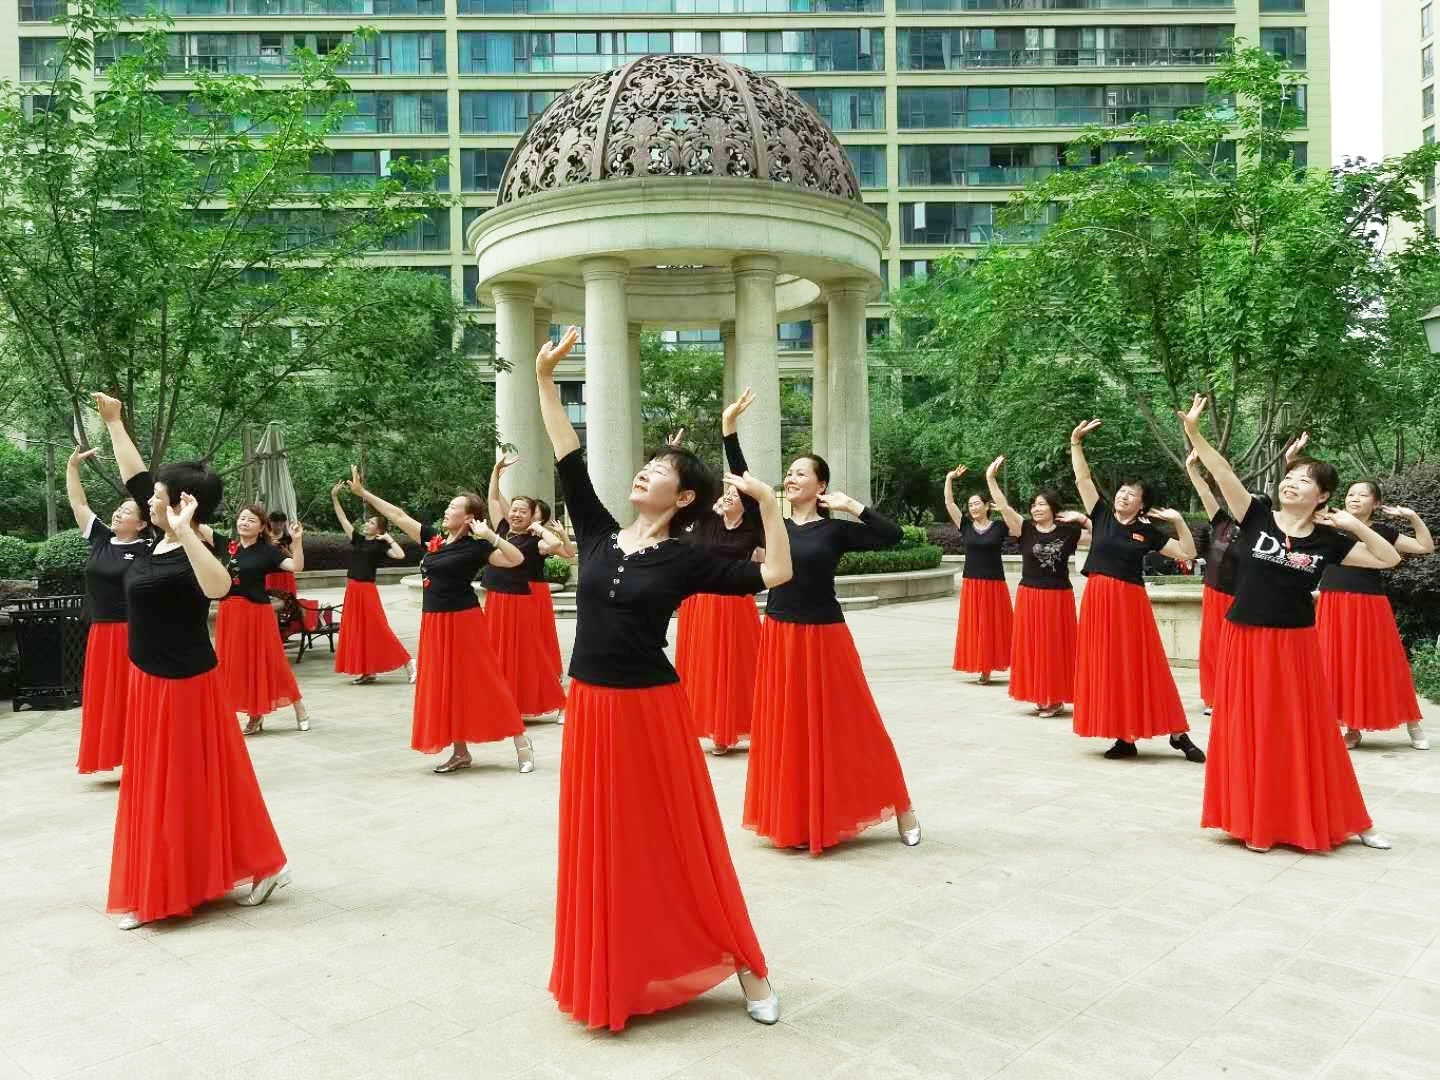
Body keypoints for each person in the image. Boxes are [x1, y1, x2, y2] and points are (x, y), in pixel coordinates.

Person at [536, 326, 791, 1031]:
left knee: (681, 836)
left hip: (652, 709)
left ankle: (747, 965)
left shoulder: (686, 558)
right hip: (588, 706)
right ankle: (614, 969)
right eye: (645, 465)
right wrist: (546, 381)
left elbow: (774, 574)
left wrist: (770, 505)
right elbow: (566, 454)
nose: (646, 472)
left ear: (684, 499)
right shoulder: (594, 533)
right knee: (604, 846)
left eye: (660, 470)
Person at [91, 392, 288, 930]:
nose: (145, 500)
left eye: (156, 496)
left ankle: (175, 886)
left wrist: (185, 531)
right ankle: (202, 872)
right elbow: (133, 472)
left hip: (184, 681)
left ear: (182, 503)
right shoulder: (156, 537)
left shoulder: (200, 546)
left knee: (180, 785)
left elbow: (220, 588)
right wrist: (115, 422)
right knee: (173, 782)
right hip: (146, 678)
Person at [1180, 395, 1395, 853]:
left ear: (1323, 496)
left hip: (1296, 644)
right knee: (1248, 728)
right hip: (1246, 636)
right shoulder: (1256, 516)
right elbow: (1222, 474)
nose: (1291, 484)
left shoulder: (1327, 541)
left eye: (1304, 481)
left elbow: (1388, 557)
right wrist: (1196, 433)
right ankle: (1254, 819)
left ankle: (1343, 817)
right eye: (1290, 477)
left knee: (1305, 732)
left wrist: (1355, 526)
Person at [743, 449, 921, 854]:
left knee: (856, 722)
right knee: (787, 727)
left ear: (820, 485)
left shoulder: (834, 530)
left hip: (825, 635)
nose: (790, 479)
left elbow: (891, 536)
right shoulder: (775, 525)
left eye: (800, 473)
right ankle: (800, 817)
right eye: (788, 473)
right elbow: (748, 485)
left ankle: (902, 806)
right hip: (779, 633)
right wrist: (728, 431)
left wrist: (852, 506)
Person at [348, 467, 533, 774]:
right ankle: (460, 752)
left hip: (464, 621)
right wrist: (363, 493)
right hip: (434, 623)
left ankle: (520, 739)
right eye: (448, 507)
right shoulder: (433, 540)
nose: (446, 511)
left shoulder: (477, 546)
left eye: (452, 508)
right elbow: (398, 515)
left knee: (482, 681)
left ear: (469, 517)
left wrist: (491, 537)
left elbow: (517, 560)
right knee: (445, 687)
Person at [1068, 419, 1204, 762]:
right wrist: (1076, 444)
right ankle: (1124, 736)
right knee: (1108, 667)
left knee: (1142, 665)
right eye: (1122, 490)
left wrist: (1178, 521)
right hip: (1098, 598)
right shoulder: (1101, 516)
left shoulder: (1148, 532)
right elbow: (1083, 479)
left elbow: (1188, 553)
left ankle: (1177, 732)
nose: (1123, 495)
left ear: (1142, 504)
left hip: (1129, 602)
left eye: (1132, 493)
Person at [675, 388, 767, 756]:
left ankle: (739, 728)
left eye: (734, 495)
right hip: (700, 606)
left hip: (735, 606)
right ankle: (711, 728)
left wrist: (728, 428)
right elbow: (684, 488)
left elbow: (742, 476)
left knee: (738, 671)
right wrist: (676, 455)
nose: (728, 495)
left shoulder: (750, 528)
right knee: (704, 671)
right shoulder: (705, 523)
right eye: (724, 493)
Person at [1316, 479, 1434, 750]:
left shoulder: (1382, 531)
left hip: (1369, 605)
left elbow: (1424, 546)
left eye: (1362, 495)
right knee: (1339, 665)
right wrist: (1292, 463)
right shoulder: (1329, 524)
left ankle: (1413, 724)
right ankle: (1352, 728)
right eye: (1350, 494)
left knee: (1386, 665)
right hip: (1332, 603)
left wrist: (1413, 516)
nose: (1354, 498)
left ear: (1376, 503)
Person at [67, 446, 150, 775]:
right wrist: (72, 468)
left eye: (127, 512)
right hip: (101, 633)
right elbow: (78, 504)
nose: (118, 514)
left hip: (134, 633)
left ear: (142, 524)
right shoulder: (101, 539)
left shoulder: (148, 549)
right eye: (118, 509)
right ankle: (116, 756)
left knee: (133, 699)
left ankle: (139, 758)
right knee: (106, 700)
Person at [983, 459, 1087, 718]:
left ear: (1053, 507)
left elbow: (1104, 536)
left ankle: (1055, 695)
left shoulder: (1069, 532)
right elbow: (1005, 507)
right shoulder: (1025, 528)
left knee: (1055, 647)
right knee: (1033, 646)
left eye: (1041, 504)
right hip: (1030, 594)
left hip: (1058, 596)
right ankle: (1042, 695)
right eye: (1034, 504)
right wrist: (991, 479)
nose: (1036, 508)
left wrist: (1084, 519)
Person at [482, 455, 568, 720]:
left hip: (519, 601)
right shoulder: (504, 528)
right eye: (515, 509)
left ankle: (559, 702)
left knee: (527, 654)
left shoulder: (535, 540)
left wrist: (537, 529)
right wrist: (496, 472)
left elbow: (556, 547)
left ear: (532, 516)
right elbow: (494, 499)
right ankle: (506, 703)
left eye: (523, 511)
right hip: (496, 598)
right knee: (495, 653)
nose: (516, 513)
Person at [213, 505, 311, 735]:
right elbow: (193, 528)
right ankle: (254, 715)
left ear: (261, 527)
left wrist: (297, 542)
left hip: (256, 613)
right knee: (235, 664)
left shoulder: (268, 551)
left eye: (251, 520)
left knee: (271, 661)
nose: (244, 522)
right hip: (228, 613)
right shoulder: (227, 546)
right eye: (242, 518)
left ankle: (299, 708)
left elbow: (296, 567)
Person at [330, 480, 414, 685]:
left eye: (371, 523)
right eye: (367, 522)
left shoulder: (379, 545)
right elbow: (342, 519)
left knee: (378, 629)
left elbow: (400, 555)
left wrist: (388, 539)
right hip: (353, 590)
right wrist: (335, 498)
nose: (366, 524)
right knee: (358, 632)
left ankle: (409, 662)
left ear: (378, 530)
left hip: (367, 590)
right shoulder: (358, 539)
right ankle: (368, 671)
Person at [946, 459, 1013, 685]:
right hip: (972, 583)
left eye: (977, 503)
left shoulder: (999, 527)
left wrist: (1000, 505)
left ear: (986, 506)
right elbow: (949, 504)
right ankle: (981, 666)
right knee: (976, 627)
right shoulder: (965, 526)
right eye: (971, 504)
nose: (973, 507)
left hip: (994, 582)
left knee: (994, 626)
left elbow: (1011, 517)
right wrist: (949, 479)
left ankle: (994, 665)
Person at [264, 510, 298, 599]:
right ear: (270, 522)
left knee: (288, 602)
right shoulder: (265, 538)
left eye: (282, 522)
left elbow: (296, 558)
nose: (279, 524)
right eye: (276, 521)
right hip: (270, 575)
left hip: (286, 575)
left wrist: (286, 552)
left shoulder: (288, 538)